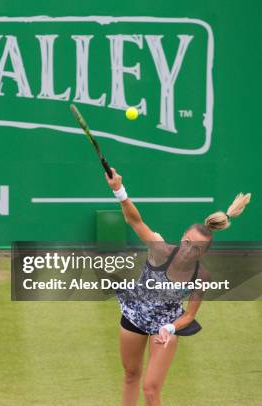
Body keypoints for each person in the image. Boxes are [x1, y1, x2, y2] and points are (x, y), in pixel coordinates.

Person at [105, 167, 251, 406]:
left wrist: (171, 328)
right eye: (187, 242)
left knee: (151, 389)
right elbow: (134, 220)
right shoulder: (159, 250)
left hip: (165, 325)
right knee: (131, 375)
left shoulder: (201, 275)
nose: (188, 249)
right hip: (135, 315)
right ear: (183, 237)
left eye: (197, 248)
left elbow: (190, 314)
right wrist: (118, 189)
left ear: (204, 253)